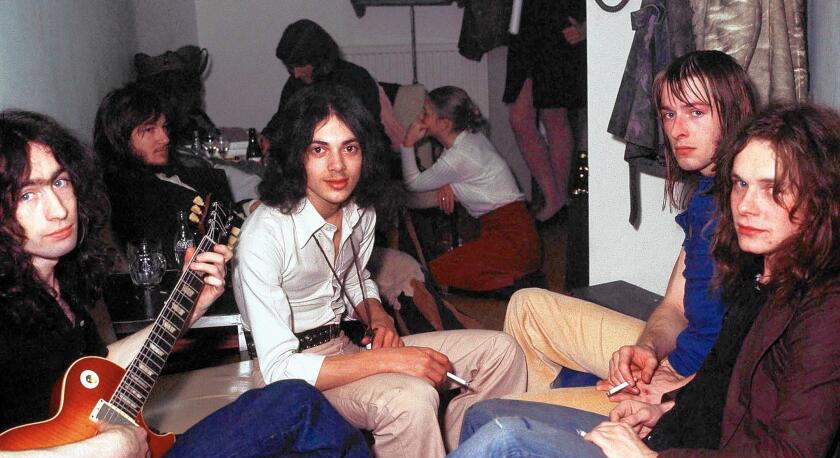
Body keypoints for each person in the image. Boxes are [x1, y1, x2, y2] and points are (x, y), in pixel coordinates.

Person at [240, 102, 840, 458]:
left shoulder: (825, 306)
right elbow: (731, 384)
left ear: (816, 196)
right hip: (678, 443)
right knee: (481, 418)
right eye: (740, 184)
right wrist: (665, 408)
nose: (746, 205)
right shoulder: (763, 273)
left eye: (772, 188)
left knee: (506, 448)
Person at [0, 110, 384, 458]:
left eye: (59, 182)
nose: (57, 208)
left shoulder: (53, 285)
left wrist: (187, 310)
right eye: (27, 194)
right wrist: (107, 450)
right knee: (292, 399)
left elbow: (93, 370)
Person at [232, 84, 526, 458]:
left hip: (346, 347)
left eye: (350, 149)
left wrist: (379, 315)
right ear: (297, 154)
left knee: (501, 353)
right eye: (320, 150)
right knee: (412, 397)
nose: (337, 166)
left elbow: (355, 278)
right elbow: (281, 368)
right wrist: (392, 360)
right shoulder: (264, 236)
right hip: (292, 376)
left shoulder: (360, 211)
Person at [505, 50, 757, 409]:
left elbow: (754, 354)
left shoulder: (751, 208)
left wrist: (674, 390)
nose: (677, 130)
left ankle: (545, 422)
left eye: (696, 112)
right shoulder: (706, 194)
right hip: (675, 363)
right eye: (669, 114)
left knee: (512, 416)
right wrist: (647, 348)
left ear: (736, 111)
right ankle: (550, 416)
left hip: (697, 391)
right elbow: (674, 306)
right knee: (526, 305)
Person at [401, 86, 540, 292]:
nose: (420, 117)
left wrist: (407, 144)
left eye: (426, 113)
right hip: (519, 234)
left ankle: (514, 282)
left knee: (433, 273)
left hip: (513, 239)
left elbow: (413, 183)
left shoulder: (457, 158)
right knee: (443, 270)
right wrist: (447, 182)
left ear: (445, 124)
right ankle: (513, 278)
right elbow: (460, 170)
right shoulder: (471, 137)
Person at [94, 82, 242, 267]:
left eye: (164, 127)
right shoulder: (132, 199)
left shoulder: (167, 172)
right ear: (119, 138)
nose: (165, 138)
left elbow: (223, 214)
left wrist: (249, 206)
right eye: (149, 130)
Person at [505, 0, 586, 222]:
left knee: (554, 115)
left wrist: (588, 25)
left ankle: (555, 201)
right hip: (527, 25)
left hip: (560, 25)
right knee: (521, 118)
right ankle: (556, 199)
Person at [261, 19, 381, 148]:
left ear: (318, 59)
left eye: (300, 65)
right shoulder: (295, 83)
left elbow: (365, 133)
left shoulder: (355, 79)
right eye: (290, 67)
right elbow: (281, 119)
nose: (296, 73)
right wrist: (266, 137)